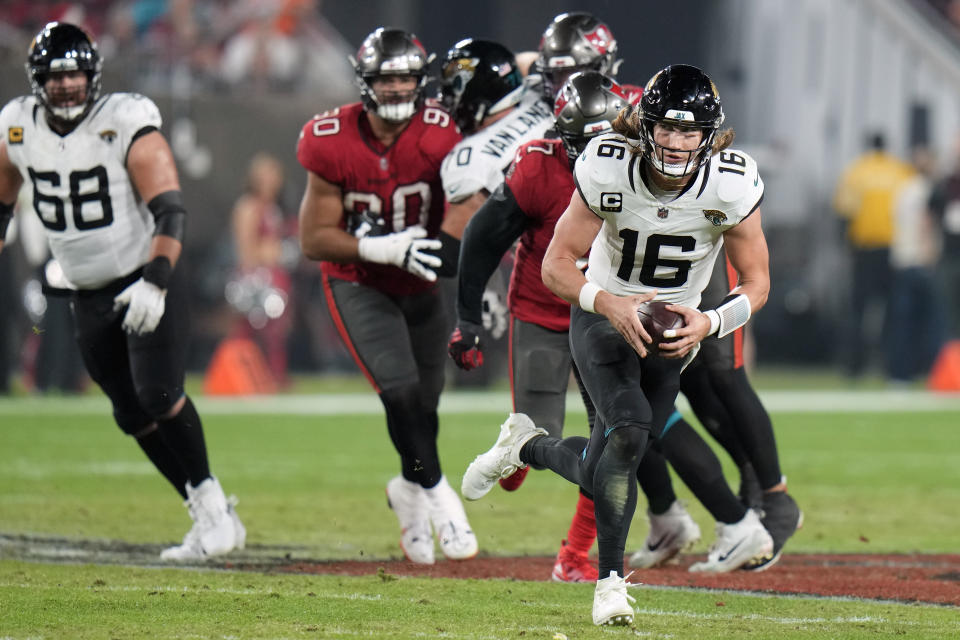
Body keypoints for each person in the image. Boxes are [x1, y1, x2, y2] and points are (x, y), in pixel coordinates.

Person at [462, 64, 774, 625]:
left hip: (674, 335)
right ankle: (609, 585)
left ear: (711, 135)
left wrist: (709, 323)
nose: (676, 144)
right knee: (628, 427)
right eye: (665, 129)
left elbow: (757, 282)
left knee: (606, 464)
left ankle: (525, 446)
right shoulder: (609, 164)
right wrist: (608, 304)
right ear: (645, 126)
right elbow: (557, 265)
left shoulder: (733, 183)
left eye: (689, 132)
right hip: (605, 316)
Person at [0, 22, 244, 560]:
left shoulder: (124, 119)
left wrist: (155, 283)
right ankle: (207, 509)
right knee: (130, 414)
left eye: (75, 75)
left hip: (148, 273)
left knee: (159, 394)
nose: (66, 86)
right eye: (55, 76)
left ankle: (210, 503)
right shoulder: (17, 126)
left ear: (93, 77)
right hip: (86, 290)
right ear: (37, 80)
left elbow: (170, 210)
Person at [296, 26, 477, 565]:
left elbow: (470, 205)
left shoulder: (445, 133)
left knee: (426, 403)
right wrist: (381, 250)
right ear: (365, 82)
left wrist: (461, 271)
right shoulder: (329, 137)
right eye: (386, 79)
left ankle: (408, 491)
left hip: (424, 281)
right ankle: (439, 495)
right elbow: (312, 238)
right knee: (398, 393)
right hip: (360, 282)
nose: (397, 89)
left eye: (406, 79)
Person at [832, 133, 915, 379]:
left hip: (864, 249)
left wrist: (846, 246)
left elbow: (844, 212)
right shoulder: (900, 171)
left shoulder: (856, 172)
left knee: (858, 310)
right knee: (893, 310)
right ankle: (892, 366)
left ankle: (854, 366)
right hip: (893, 249)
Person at [229, 151, 294, 387]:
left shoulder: (274, 208)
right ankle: (242, 375)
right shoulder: (248, 206)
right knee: (248, 330)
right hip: (258, 278)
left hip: (277, 275)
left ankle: (275, 375)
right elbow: (246, 248)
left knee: (277, 333)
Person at [928, 135, 960, 339]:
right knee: (947, 312)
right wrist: (929, 247)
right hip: (949, 256)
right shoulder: (943, 184)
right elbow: (930, 216)